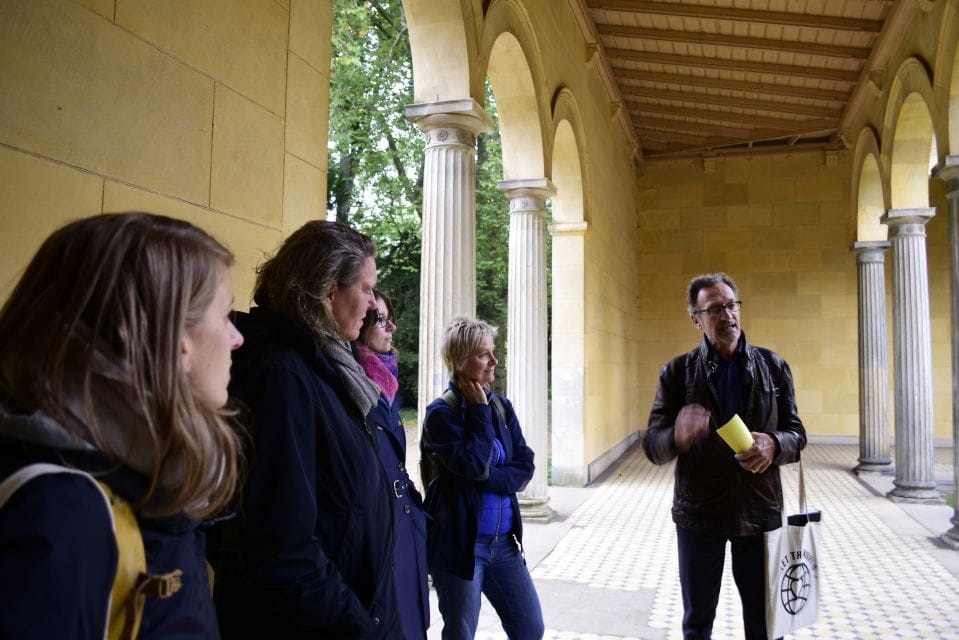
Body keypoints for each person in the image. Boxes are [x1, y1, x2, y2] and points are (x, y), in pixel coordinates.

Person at [0, 212, 244, 638]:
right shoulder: (60, 515)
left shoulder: (130, 471)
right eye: (226, 316)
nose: (237, 338)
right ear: (175, 339)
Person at [212, 221, 400, 639]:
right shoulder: (281, 374)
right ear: (329, 290)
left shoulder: (324, 365)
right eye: (367, 289)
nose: (374, 305)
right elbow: (281, 547)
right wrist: (361, 629)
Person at [642, 272, 807, 640]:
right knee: (698, 622)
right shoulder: (677, 372)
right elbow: (653, 445)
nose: (727, 315)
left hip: (761, 513)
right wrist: (676, 435)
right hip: (699, 514)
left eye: (732, 305)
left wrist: (775, 444)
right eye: (715, 309)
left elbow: (798, 434)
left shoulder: (773, 366)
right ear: (696, 319)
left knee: (766, 623)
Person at [421, 317, 544, 640]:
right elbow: (475, 465)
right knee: (461, 633)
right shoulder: (441, 413)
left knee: (530, 628)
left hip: (504, 545)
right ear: (460, 359)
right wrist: (478, 412)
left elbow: (525, 465)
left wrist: (488, 478)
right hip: (461, 545)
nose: (494, 361)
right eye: (483, 354)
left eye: (493, 351)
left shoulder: (501, 406)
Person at [354, 289, 429, 640]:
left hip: (404, 525)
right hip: (381, 533)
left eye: (390, 318)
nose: (392, 327)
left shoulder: (386, 386)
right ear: (362, 325)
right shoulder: (355, 386)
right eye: (382, 320)